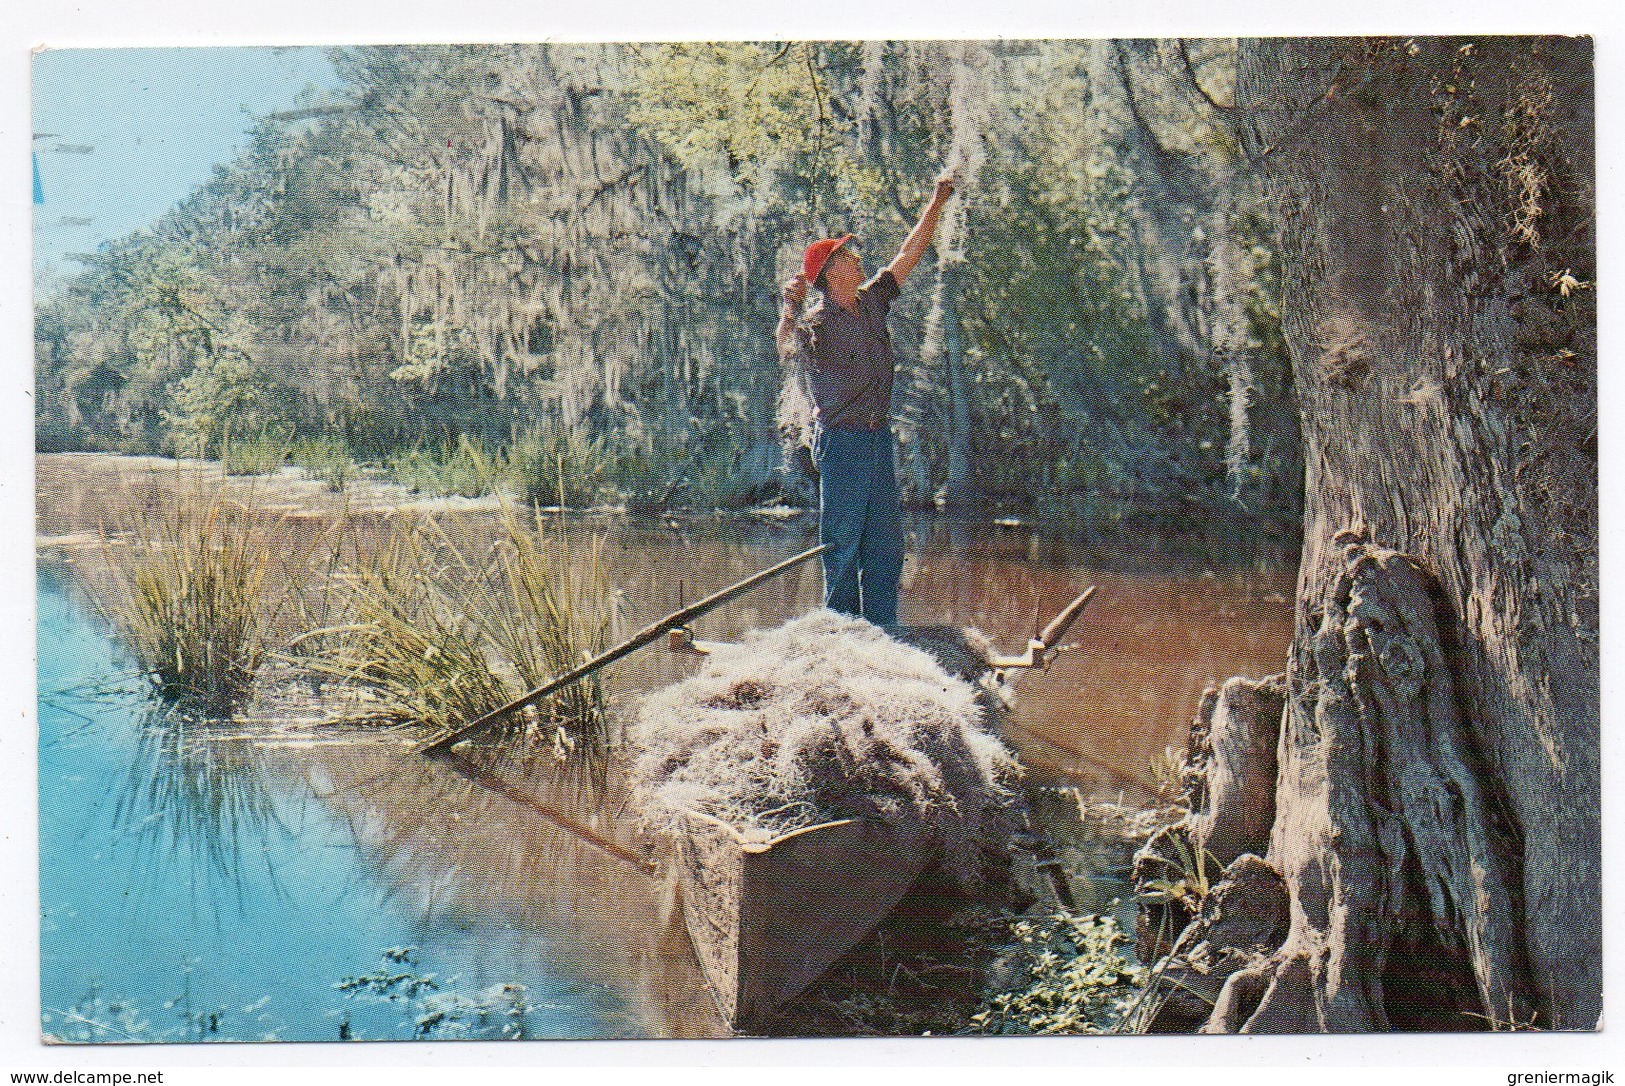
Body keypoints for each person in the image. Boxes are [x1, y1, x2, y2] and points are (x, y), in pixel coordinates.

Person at [776, 171, 957, 628]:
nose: (857, 259)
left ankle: (881, 630)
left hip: (876, 440)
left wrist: (936, 201)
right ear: (831, 271)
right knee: (842, 542)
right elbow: (784, 347)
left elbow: (908, 255)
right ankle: (841, 632)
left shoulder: (873, 299)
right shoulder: (817, 323)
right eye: (847, 255)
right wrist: (789, 309)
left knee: (886, 544)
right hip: (842, 443)